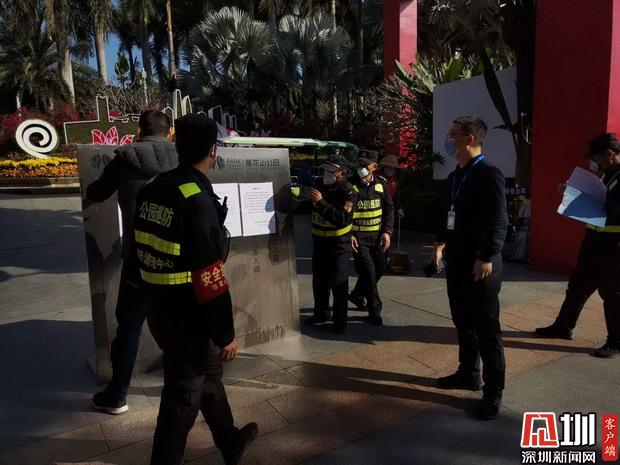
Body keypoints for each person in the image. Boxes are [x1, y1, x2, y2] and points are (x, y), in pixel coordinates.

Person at [133, 114, 257, 465]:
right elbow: (209, 275)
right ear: (213, 150)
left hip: (159, 309)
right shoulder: (197, 199)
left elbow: (138, 249)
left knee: (209, 378)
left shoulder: (153, 187)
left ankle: (229, 441)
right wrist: (225, 335)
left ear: (177, 145)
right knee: (183, 395)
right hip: (189, 319)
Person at [87, 110, 178, 414]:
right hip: (177, 258)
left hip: (138, 257)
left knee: (129, 326)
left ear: (139, 132)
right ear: (169, 133)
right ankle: (183, 383)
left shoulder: (125, 158)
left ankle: (117, 394)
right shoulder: (182, 156)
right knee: (178, 321)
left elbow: (97, 192)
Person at [430, 115, 509, 420]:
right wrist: (439, 244)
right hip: (458, 262)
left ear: (470, 139)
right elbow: (446, 214)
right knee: (463, 321)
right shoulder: (455, 176)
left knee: (487, 328)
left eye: (453, 135)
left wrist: (487, 255)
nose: (448, 140)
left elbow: (498, 219)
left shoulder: (489, 174)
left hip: (481, 264)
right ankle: (468, 373)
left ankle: (493, 391)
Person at [535, 133, 620, 359]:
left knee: (612, 294)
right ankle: (563, 327)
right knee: (577, 287)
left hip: (614, 246)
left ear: (609, 154)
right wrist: (572, 193)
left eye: (596, 158)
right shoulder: (607, 174)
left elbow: (612, 209)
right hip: (594, 241)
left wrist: (582, 196)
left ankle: (616, 341)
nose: (593, 163)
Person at [304, 155, 357, 334]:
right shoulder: (319, 184)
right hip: (319, 242)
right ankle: (321, 313)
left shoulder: (349, 192)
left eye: (330, 171)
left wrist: (321, 202)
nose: (326, 174)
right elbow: (311, 206)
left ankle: (340, 322)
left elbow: (342, 219)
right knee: (319, 282)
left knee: (339, 284)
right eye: (325, 170)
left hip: (338, 246)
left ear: (342, 173)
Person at [348, 150, 394, 325]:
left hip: (377, 238)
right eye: (359, 164)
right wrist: (349, 234)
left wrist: (387, 232)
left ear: (374, 167)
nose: (361, 167)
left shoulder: (381, 184)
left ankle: (357, 294)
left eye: (365, 165)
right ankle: (374, 310)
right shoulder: (350, 185)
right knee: (369, 272)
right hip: (359, 239)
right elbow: (344, 213)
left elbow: (389, 209)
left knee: (380, 268)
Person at [377, 154, 404, 221]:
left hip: (388, 210)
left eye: (392, 168)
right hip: (376, 208)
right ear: (384, 167)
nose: (390, 170)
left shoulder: (395, 180)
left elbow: (396, 196)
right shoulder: (376, 178)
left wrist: (399, 208)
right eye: (388, 167)